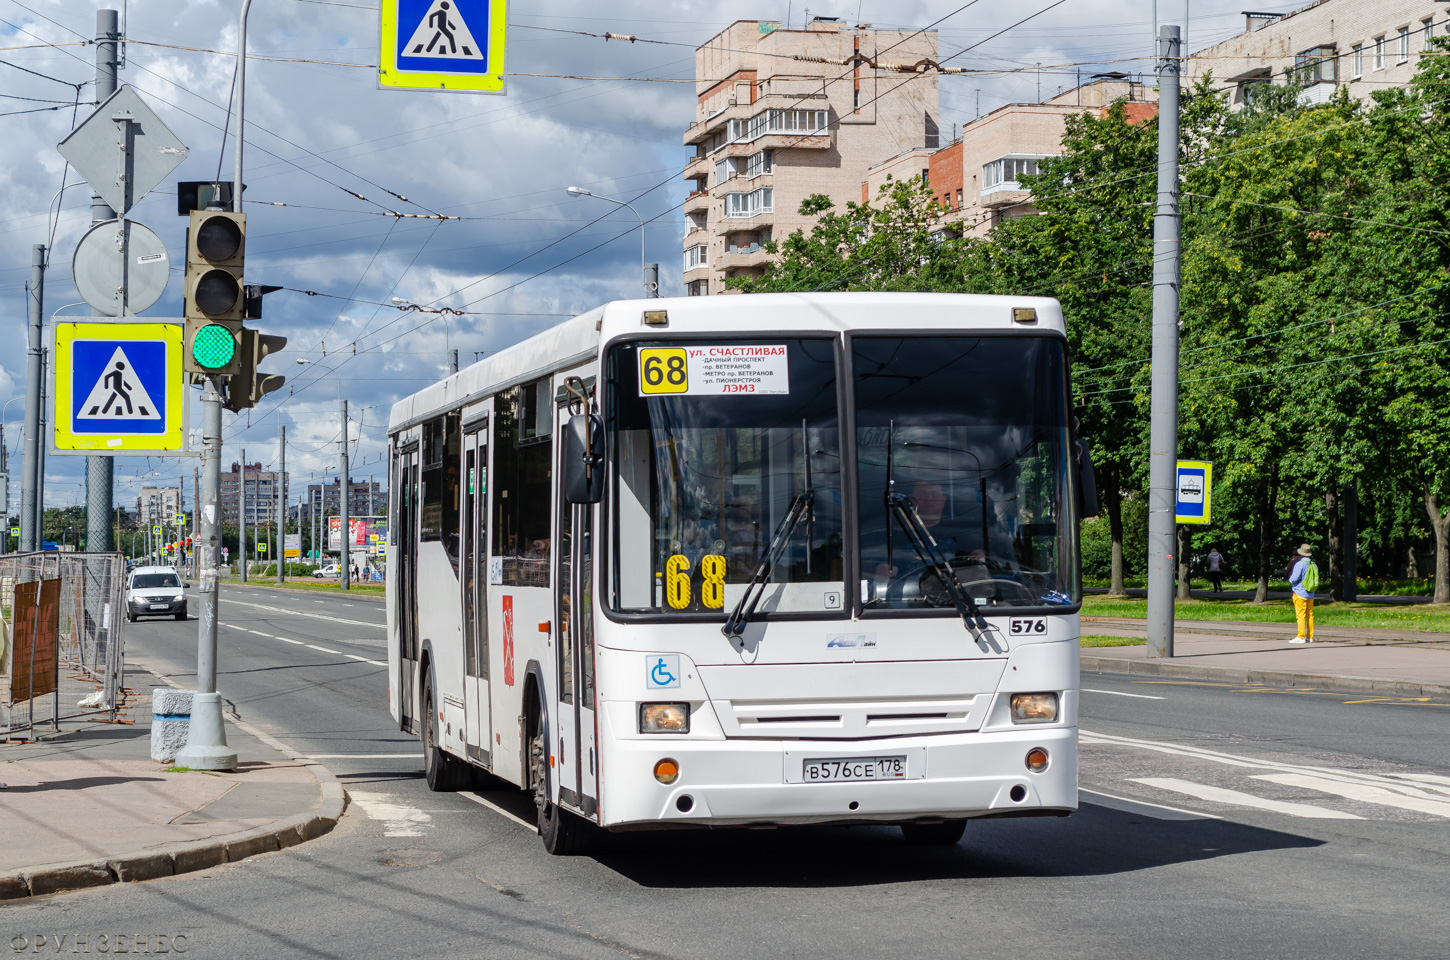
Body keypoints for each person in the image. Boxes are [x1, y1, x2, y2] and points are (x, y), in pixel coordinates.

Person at [1288, 543, 1316, 643]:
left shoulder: (1300, 564)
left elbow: (1294, 578)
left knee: (1300, 615)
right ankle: (1310, 636)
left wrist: (1290, 580)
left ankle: (1300, 636)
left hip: (1299, 592)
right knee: (1310, 615)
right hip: (1311, 593)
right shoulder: (1313, 564)